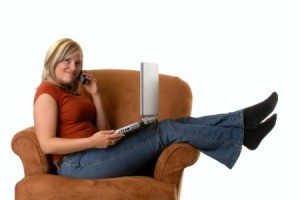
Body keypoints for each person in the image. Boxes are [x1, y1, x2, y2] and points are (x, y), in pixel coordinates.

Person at [34, 38, 278, 179]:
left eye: (77, 62)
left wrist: (96, 95)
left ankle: (242, 121)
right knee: (166, 130)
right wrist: (91, 143)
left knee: (176, 122)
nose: (73, 67)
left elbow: (103, 131)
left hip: (95, 154)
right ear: (53, 60)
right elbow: (47, 144)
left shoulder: (75, 92)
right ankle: (245, 134)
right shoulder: (47, 92)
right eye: (67, 60)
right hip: (75, 164)